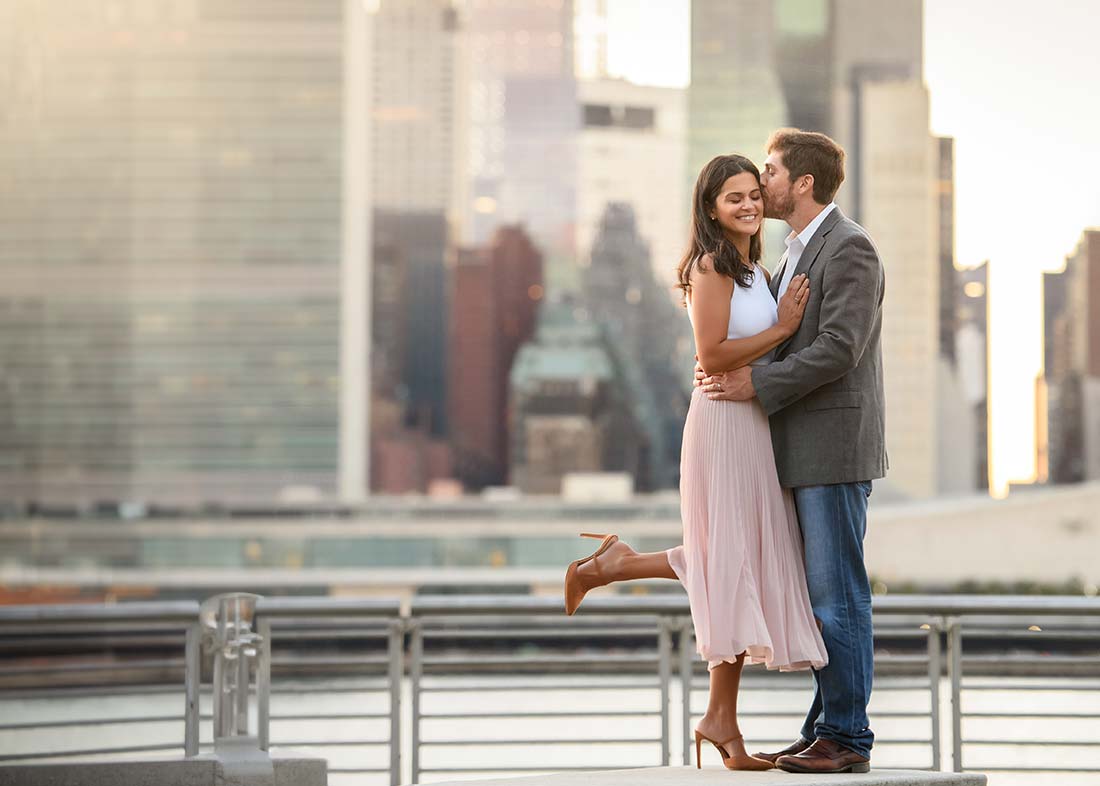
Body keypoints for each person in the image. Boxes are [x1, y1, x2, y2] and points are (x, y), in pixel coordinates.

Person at [563, 153, 828, 771]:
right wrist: (785, 327)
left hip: (753, 423)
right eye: (733, 197)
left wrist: (773, 336)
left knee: (736, 559)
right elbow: (711, 355)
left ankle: (620, 570)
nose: (748, 205)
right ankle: (719, 719)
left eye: (753, 195)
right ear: (711, 207)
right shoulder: (711, 265)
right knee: (728, 559)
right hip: (723, 424)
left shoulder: (753, 270)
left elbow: (738, 355)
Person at [696, 128, 886, 775]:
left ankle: (848, 739)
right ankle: (823, 730)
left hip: (832, 448)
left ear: (801, 183)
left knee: (838, 598)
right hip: (795, 448)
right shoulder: (792, 254)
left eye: (771, 172)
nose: (763, 183)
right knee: (817, 599)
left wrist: (756, 380)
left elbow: (840, 347)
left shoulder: (849, 247)